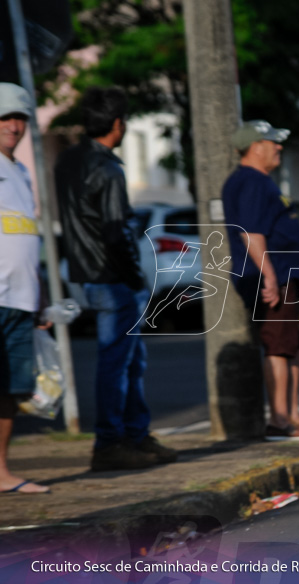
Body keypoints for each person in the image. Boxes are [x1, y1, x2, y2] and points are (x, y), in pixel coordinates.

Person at [55, 86, 178, 471]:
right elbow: (115, 231)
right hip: (111, 275)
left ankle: (134, 434)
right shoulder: (108, 169)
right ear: (118, 124)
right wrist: (135, 277)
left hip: (86, 273)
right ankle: (111, 441)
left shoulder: (67, 161)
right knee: (117, 361)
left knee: (128, 358)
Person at [221, 120, 299, 442]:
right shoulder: (251, 181)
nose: (278, 147)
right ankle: (280, 421)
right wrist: (269, 277)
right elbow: (251, 234)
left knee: (290, 345)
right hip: (271, 276)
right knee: (279, 346)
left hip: (282, 275)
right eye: (272, 142)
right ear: (255, 146)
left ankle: (292, 417)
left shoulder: (258, 180)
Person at [0, 83, 51, 493]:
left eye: (19, 118)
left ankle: (0, 473)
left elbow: (27, 234)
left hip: (21, 297)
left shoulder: (20, 171)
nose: (13, 126)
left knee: (12, 389)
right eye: (5, 117)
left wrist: (42, 292)